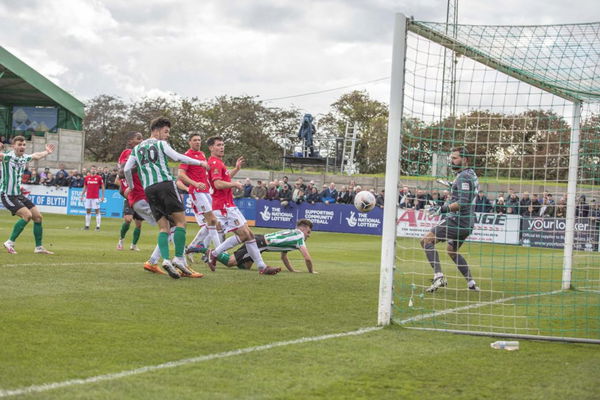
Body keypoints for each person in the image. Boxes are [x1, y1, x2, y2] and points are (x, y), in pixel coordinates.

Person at [124, 117, 208, 279]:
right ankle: (178, 259)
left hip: (149, 189)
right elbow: (177, 157)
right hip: (165, 185)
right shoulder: (160, 143)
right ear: (156, 130)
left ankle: (166, 261)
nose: (167, 135)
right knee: (181, 222)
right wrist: (199, 163)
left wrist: (131, 186)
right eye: (166, 131)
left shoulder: (137, 148)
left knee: (164, 228)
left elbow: (127, 169)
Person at [204, 136, 280, 275]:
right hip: (223, 206)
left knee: (249, 235)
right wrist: (235, 184)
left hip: (228, 204)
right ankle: (214, 254)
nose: (222, 147)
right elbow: (218, 184)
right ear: (211, 148)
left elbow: (224, 178)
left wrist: (236, 169)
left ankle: (262, 267)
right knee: (245, 235)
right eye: (218, 145)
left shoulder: (218, 162)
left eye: (223, 144)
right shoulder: (214, 162)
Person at [420, 147, 480, 292]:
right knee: (451, 251)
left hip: (458, 220)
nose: (451, 161)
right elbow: (467, 193)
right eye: (451, 158)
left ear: (465, 160)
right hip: (468, 223)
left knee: (426, 241)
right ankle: (471, 283)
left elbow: (463, 202)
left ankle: (439, 277)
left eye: (455, 158)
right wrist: (453, 187)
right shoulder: (470, 174)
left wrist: (442, 209)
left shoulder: (463, 177)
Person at [189, 219, 317, 273]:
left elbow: (284, 256)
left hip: (261, 242)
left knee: (245, 267)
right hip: (259, 243)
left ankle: (223, 254)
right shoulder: (299, 237)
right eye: (309, 232)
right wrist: (311, 272)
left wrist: (292, 270)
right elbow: (307, 258)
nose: (309, 235)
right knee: (229, 262)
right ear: (303, 228)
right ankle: (203, 249)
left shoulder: (293, 234)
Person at [0, 137, 55, 254]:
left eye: (24, 145)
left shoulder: (24, 157)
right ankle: (9, 242)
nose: (22, 147)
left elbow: (36, 155)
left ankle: (38, 247)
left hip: (18, 195)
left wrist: (47, 152)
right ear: (13, 146)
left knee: (38, 217)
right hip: (7, 195)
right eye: (19, 144)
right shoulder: (7, 157)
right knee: (27, 215)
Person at [177, 132, 222, 254]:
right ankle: (219, 252)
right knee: (212, 221)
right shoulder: (187, 156)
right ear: (189, 142)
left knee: (212, 222)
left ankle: (191, 248)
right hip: (197, 192)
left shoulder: (202, 154)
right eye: (195, 140)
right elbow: (180, 175)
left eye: (199, 140)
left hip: (207, 191)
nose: (198, 142)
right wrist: (195, 184)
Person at [80, 165, 105, 231]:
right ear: (90, 170)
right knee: (88, 211)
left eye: (94, 169)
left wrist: (102, 196)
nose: (93, 170)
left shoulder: (99, 178)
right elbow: (85, 187)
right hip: (88, 197)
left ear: (96, 170)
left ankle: (98, 227)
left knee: (97, 211)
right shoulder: (87, 178)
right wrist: (82, 195)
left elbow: (102, 187)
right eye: (92, 169)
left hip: (95, 198)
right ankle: (87, 226)